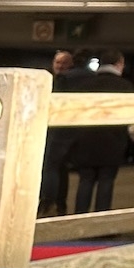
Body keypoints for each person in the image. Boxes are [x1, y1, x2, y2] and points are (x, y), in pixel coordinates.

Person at [65, 49, 133, 214]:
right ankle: (101, 224)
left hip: (85, 141)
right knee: (106, 182)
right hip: (112, 142)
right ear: (119, 64)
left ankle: (79, 220)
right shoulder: (125, 86)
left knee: (85, 181)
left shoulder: (84, 85)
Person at [37, 50, 80, 217]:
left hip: (58, 133)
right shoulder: (56, 80)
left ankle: (47, 203)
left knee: (51, 169)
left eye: (64, 63)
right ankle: (60, 204)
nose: (60, 66)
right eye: (57, 63)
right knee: (61, 171)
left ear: (71, 65)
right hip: (63, 133)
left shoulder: (62, 82)